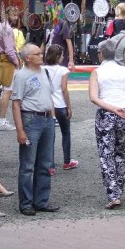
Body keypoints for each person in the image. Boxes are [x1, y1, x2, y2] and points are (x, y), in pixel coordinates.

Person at [89, 40, 125, 209]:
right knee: (120, 152)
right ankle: (119, 189)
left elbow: (94, 97)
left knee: (106, 154)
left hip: (107, 113)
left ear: (101, 54)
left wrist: (112, 108)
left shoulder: (97, 72)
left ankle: (113, 194)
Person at [12, 44, 59, 216]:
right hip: (31, 118)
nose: (41, 55)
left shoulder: (44, 72)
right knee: (28, 164)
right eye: (37, 53)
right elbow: (16, 104)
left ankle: (41, 201)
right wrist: (20, 130)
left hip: (46, 118)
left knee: (46, 163)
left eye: (41, 53)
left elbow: (49, 96)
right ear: (27, 58)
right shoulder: (21, 76)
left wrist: (52, 117)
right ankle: (26, 203)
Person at [43, 45, 78, 173]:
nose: (63, 57)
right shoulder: (63, 70)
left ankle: (50, 165)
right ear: (58, 56)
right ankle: (67, 161)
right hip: (61, 105)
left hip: (48, 105)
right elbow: (64, 89)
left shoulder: (43, 69)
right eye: (62, 55)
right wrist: (69, 106)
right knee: (66, 133)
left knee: (50, 136)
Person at [0, 7, 19, 131]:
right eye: (14, 15)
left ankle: (2, 120)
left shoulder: (1, 26)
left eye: (17, 15)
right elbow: (9, 50)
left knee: (6, 91)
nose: (16, 18)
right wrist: (17, 62)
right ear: (8, 15)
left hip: (3, 59)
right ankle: (1, 121)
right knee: (7, 91)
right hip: (8, 60)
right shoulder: (7, 29)